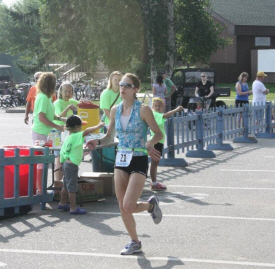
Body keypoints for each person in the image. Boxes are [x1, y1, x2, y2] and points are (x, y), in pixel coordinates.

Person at [86, 73, 163, 255]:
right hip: (121, 158)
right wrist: (95, 143)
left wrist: (150, 143)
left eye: (127, 85)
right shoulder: (115, 110)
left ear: (135, 89)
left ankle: (150, 206)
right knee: (122, 207)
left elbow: (158, 133)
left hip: (138, 158)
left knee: (129, 205)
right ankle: (135, 241)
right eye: (121, 85)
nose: (122, 88)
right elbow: (109, 137)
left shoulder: (143, 110)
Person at [58, 115, 104, 214]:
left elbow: (62, 152)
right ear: (76, 127)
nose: (81, 128)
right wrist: (98, 126)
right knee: (72, 188)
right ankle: (73, 208)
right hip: (72, 165)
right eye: (80, 126)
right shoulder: (77, 135)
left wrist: (61, 163)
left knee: (65, 185)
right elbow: (87, 131)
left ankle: (62, 203)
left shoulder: (68, 137)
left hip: (66, 163)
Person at [150, 97, 183, 191]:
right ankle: (154, 182)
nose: (157, 107)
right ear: (152, 107)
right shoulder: (155, 114)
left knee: (156, 162)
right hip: (156, 142)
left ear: (162, 107)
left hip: (159, 141)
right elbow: (165, 116)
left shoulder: (157, 114)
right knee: (154, 162)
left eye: (159, 106)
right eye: (155, 106)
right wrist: (176, 110)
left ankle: (154, 181)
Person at [53, 81, 79, 181]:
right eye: (66, 91)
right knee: (59, 159)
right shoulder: (57, 103)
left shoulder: (73, 102)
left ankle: (70, 183)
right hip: (59, 132)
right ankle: (58, 183)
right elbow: (59, 117)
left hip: (71, 134)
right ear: (60, 92)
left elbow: (83, 106)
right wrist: (68, 108)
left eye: (70, 91)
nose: (68, 93)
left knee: (71, 158)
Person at [31, 72, 64, 143]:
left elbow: (49, 114)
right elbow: (42, 118)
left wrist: (60, 118)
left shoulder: (47, 97)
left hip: (46, 132)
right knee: (42, 153)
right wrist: (57, 126)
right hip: (40, 132)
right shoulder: (43, 98)